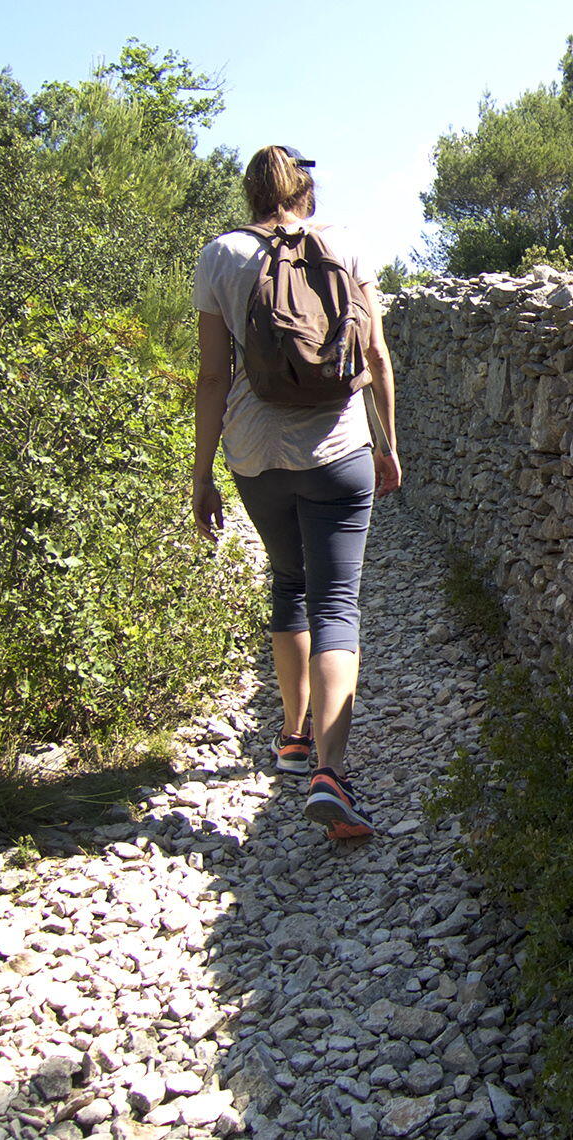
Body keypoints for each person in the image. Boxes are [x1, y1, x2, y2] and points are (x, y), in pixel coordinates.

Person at [190, 144, 401, 840]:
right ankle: (331, 775)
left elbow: (213, 377)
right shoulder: (340, 242)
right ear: (304, 192)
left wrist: (202, 475)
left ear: (249, 194)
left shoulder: (219, 256)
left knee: (290, 583)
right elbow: (374, 355)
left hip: (255, 454)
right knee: (336, 600)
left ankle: (291, 737)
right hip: (338, 449)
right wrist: (388, 443)